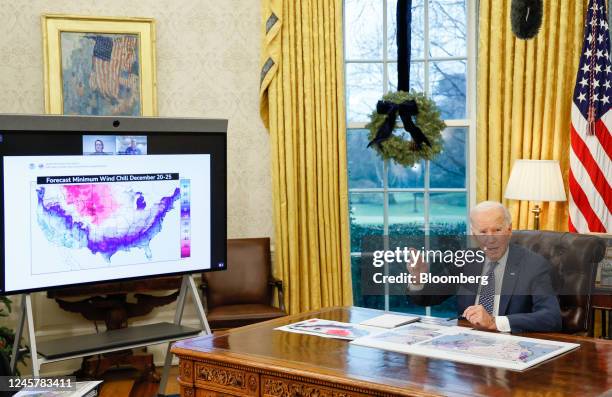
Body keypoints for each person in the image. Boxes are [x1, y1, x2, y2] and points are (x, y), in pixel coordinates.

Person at [407, 201, 562, 333]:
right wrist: (418, 279)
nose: (491, 239)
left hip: (510, 347)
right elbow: (427, 298)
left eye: (497, 230)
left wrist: (495, 322)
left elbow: (551, 317)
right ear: (474, 235)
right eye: (483, 232)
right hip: (466, 346)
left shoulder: (533, 264)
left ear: (509, 230)